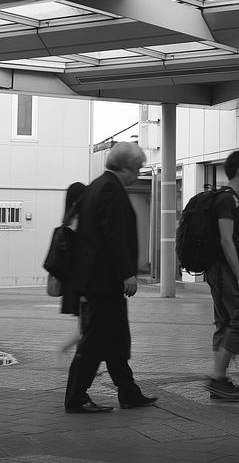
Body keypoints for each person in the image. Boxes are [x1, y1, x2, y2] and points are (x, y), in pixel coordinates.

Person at [64, 142, 157, 413]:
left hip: (99, 278)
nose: (139, 173)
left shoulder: (97, 185)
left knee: (115, 338)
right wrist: (127, 274)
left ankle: (129, 392)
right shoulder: (110, 188)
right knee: (95, 339)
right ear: (126, 167)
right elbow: (114, 236)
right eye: (138, 168)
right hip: (104, 280)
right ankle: (76, 397)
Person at [204, 150, 239, 401]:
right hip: (224, 268)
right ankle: (217, 378)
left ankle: (220, 379)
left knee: (225, 321)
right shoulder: (229, 200)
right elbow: (226, 240)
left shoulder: (227, 198)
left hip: (217, 268)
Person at [57, 182, 86, 361]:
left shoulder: (67, 220)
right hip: (81, 281)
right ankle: (65, 350)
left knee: (85, 324)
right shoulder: (79, 221)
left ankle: (82, 357)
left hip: (72, 282)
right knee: (86, 324)